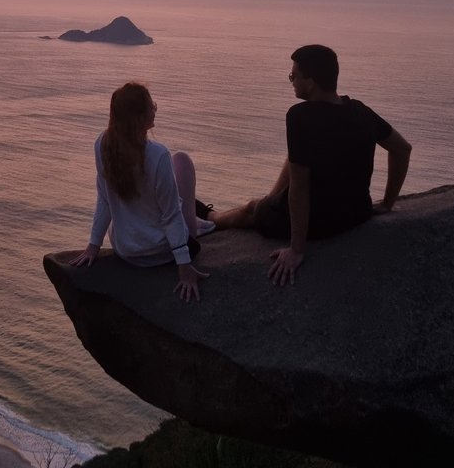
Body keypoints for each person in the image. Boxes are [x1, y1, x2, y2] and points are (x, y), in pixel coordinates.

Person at [214, 44, 412, 286]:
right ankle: (269, 199)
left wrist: (297, 249)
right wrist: (388, 203)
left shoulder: (300, 116)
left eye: (293, 76)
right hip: (357, 214)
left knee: (253, 208)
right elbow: (402, 149)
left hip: (319, 224)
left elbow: (299, 187)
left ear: (311, 82)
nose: (292, 81)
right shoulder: (360, 111)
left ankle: (210, 219)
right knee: (296, 158)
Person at [72, 82, 214, 302]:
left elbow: (105, 200)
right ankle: (198, 222)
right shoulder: (158, 155)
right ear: (139, 117)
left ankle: (196, 219)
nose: (155, 109)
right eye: (151, 106)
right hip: (160, 251)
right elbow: (170, 216)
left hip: (125, 249)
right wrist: (184, 266)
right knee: (182, 161)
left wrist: (93, 246)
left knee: (162, 196)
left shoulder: (102, 145)